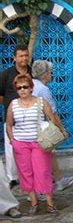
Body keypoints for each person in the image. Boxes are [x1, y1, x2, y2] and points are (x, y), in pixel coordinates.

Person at [5, 74, 62, 214]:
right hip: (21, 144)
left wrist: (54, 132)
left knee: (42, 171)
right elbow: (9, 124)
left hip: (39, 143)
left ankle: (49, 203)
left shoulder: (41, 102)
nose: (22, 90)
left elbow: (51, 118)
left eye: (25, 86)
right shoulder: (13, 105)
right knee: (26, 173)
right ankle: (34, 203)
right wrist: (13, 141)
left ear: (31, 87)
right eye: (19, 88)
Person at [31, 60, 73, 192]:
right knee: (45, 156)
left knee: (48, 154)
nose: (51, 75)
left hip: (29, 127)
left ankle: (58, 180)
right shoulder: (43, 90)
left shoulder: (31, 84)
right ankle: (45, 186)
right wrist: (62, 130)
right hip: (39, 129)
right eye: (50, 72)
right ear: (44, 75)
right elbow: (52, 114)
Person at [0, 45, 31, 188]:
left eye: (26, 55)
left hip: (30, 118)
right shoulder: (6, 74)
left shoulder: (32, 72)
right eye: (21, 56)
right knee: (11, 149)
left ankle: (30, 175)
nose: (24, 58)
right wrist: (11, 107)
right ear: (15, 58)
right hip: (12, 120)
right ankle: (12, 177)